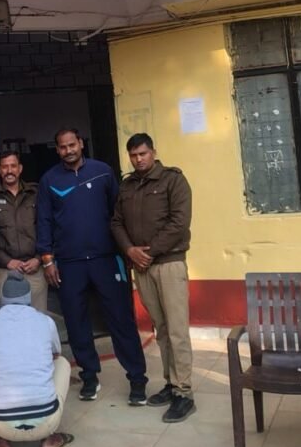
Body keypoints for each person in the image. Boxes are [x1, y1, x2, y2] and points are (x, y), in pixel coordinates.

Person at [36, 127, 149, 404]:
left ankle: (137, 379)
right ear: (57, 150)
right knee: (76, 323)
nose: (68, 151)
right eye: (63, 147)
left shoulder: (103, 172)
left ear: (81, 144)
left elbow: (118, 215)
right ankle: (89, 376)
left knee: (121, 320)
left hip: (106, 260)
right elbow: (44, 222)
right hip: (69, 264)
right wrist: (47, 259)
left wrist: (126, 250)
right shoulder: (49, 180)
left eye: (72, 145)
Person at [111, 133, 196, 422]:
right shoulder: (127, 186)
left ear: (153, 152)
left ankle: (184, 393)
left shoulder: (173, 180)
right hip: (142, 268)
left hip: (169, 263)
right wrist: (129, 250)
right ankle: (172, 383)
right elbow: (116, 222)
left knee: (177, 329)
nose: (138, 159)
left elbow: (179, 222)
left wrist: (149, 251)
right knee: (161, 328)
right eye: (133, 155)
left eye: (143, 154)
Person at [0, 273, 74, 447]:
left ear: (3, 297)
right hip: (47, 422)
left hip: (1, 425)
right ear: (28, 296)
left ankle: (1, 441)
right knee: (62, 363)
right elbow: (56, 354)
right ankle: (50, 438)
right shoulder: (46, 322)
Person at [0, 150, 48, 312]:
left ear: (20, 168)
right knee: (10, 320)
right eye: (5, 167)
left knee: (38, 318)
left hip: (35, 268)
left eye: (13, 166)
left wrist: (39, 259)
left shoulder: (35, 193)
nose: (9, 171)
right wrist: (7, 261)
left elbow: (46, 227)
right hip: (5, 270)